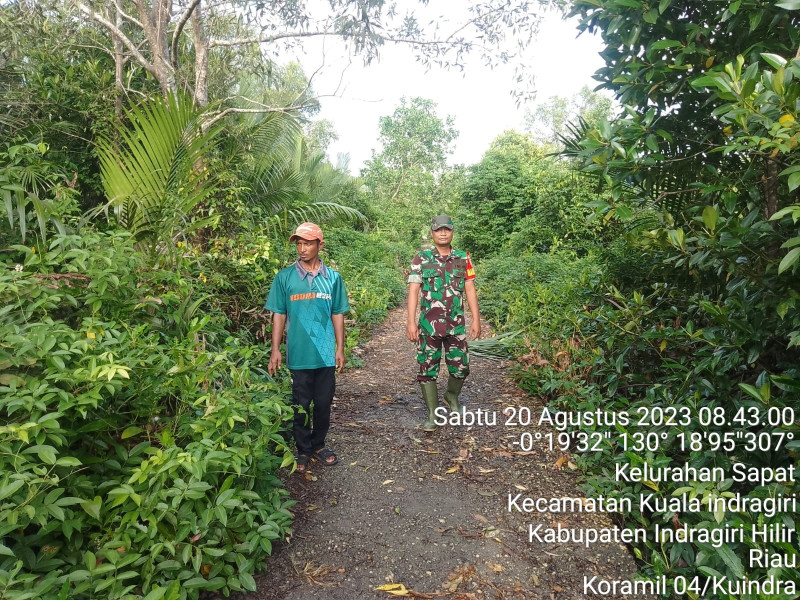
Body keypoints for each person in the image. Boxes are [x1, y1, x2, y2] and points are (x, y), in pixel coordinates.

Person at [266, 222, 350, 472]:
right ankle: (302, 449)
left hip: (325, 354)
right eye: (299, 244)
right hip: (299, 353)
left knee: (324, 402)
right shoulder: (285, 277)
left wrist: (340, 348)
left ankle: (319, 444)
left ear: (319, 245)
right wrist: (275, 349)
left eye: (307, 243)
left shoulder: (332, 278)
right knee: (300, 403)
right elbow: (279, 314)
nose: (302, 249)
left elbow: (338, 314)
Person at [406, 215, 481, 431]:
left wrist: (476, 319)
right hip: (429, 326)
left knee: (461, 367)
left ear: (452, 232)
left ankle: (451, 396)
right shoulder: (421, 259)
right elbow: (413, 291)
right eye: (438, 230)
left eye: (447, 229)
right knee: (427, 368)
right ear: (432, 232)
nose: (443, 233)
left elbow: (469, 289)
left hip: (456, 325)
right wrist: (411, 322)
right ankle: (432, 412)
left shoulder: (462, 258)